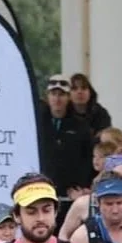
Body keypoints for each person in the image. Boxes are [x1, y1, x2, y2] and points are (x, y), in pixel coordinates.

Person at [37, 75, 95, 217]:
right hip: (41, 190)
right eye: (53, 94)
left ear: (68, 97)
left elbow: (87, 158)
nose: (57, 99)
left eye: (62, 94)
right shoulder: (36, 123)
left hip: (70, 195)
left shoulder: (81, 126)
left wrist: (83, 186)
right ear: (47, 96)